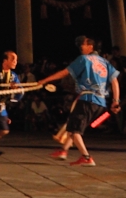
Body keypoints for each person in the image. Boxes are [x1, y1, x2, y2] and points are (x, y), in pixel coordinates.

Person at [39, 36, 121, 166]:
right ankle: (63, 151)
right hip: (100, 102)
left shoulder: (83, 59)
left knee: (74, 129)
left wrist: (44, 80)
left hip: (88, 99)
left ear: (90, 46)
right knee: (74, 126)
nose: (80, 47)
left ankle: (86, 157)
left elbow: (64, 73)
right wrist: (115, 101)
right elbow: (115, 82)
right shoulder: (105, 62)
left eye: (82, 44)